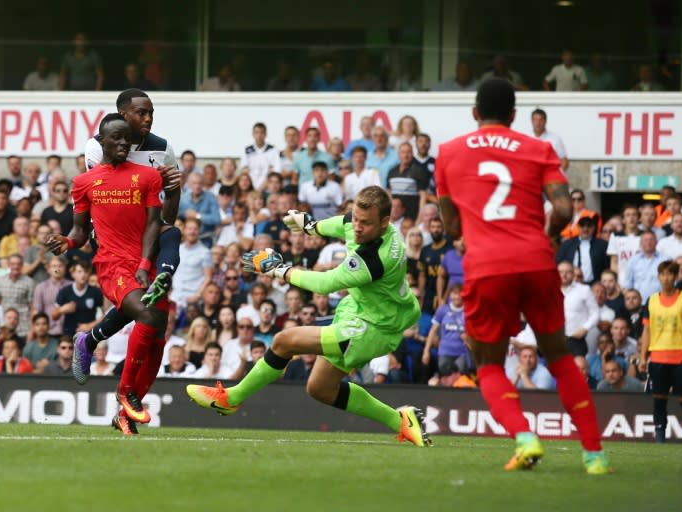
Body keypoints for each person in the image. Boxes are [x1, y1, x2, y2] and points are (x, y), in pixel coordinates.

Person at [436, 79, 609, 473]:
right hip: (536, 261)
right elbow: (565, 210)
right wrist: (546, 236)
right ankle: (594, 456)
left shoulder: (448, 153)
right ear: (514, 116)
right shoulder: (538, 147)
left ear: (474, 112)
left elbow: (451, 224)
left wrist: (470, 230)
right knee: (560, 356)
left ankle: (525, 438)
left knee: (489, 364)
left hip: (487, 266)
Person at [186, 186, 431, 448]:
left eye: (366, 223)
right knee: (320, 388)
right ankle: (401, 420)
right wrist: (312, 227)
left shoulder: (375, 258)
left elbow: (325, 283)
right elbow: (343, 223)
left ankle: (231, 399)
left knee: (284, 341)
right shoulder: (360, 222)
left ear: (385, 222)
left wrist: (280, 269)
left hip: (372, 328)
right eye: (356, 218)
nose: (357, 227)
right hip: (365, 311)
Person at [47, 114, 170, 437]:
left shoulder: (147, 177)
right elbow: (80, 231)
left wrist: (145, 264)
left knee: (158, 336)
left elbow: (156, 224)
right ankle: (125, 391)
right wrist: (67, 241)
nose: (122, 144)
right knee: (147, 315)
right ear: (100, 143)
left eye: (126, 139)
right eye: (115, 138)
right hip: (111, 264)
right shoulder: (85, 182)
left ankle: (125, 412)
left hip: (144, 262)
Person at [75, 89, 183, 383]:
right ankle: (95, 348)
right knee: (145, 310)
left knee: (172, 232)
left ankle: (161, 276)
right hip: (114, 240)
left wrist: (172, 189)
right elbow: (108, 197)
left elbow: (168, 211)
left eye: (151, 113)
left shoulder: (162, 148)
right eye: (141, 113)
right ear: (123, 115)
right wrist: (152, 180)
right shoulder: (98, 147)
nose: (148, 118)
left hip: (147, 234)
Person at [638, 260, 682, 444]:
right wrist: (643, 357)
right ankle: (659, 439)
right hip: (658, 358)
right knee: (659, 401)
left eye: (670, 274)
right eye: (663, 274)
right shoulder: (651, 301)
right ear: (658, 276)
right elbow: (646, 331)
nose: (666, 278)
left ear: (675, 276)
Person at [556, 216, 608, 284]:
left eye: (589, 226)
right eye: (582, 226)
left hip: (594, 285)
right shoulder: (567, 244)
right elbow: (559, 263)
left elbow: (607, 266)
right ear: (578, 227)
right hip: (570, 284)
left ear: (593, 228)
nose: (585, 229)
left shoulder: (602, 245)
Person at [241, 122, 282, 191]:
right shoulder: (247, 150)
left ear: (266, 134)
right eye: (257, 133)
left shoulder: (273, 150)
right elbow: (244, 171)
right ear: (253, 134)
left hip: (267, 189)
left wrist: (260, 189)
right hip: (250, 189)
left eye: (262, 133)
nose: (259, 135)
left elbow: (275, 172)